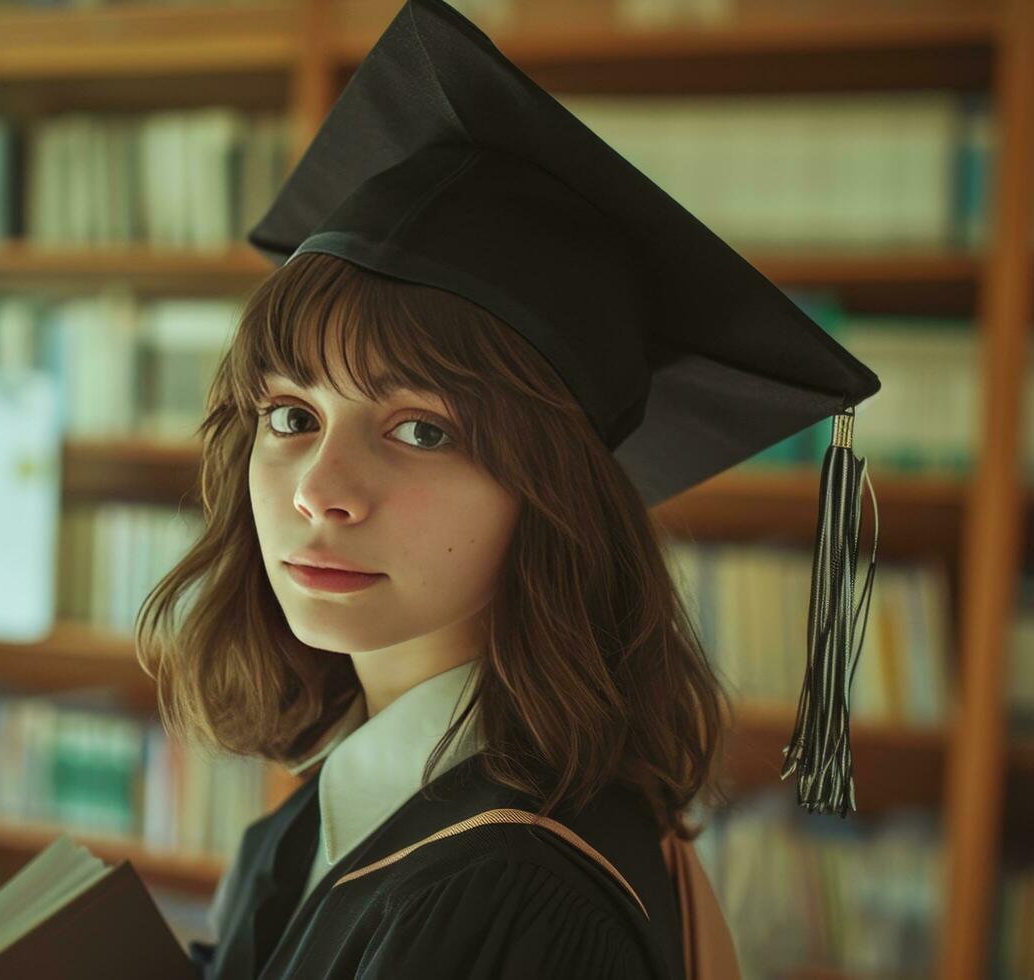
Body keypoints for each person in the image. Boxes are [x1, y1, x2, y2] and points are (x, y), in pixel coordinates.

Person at [136, 0, 881, 976]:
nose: (321, 489)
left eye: (420, 428)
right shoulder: (361, 796)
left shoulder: (528, 901)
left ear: (551, 492)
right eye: (291, 415)